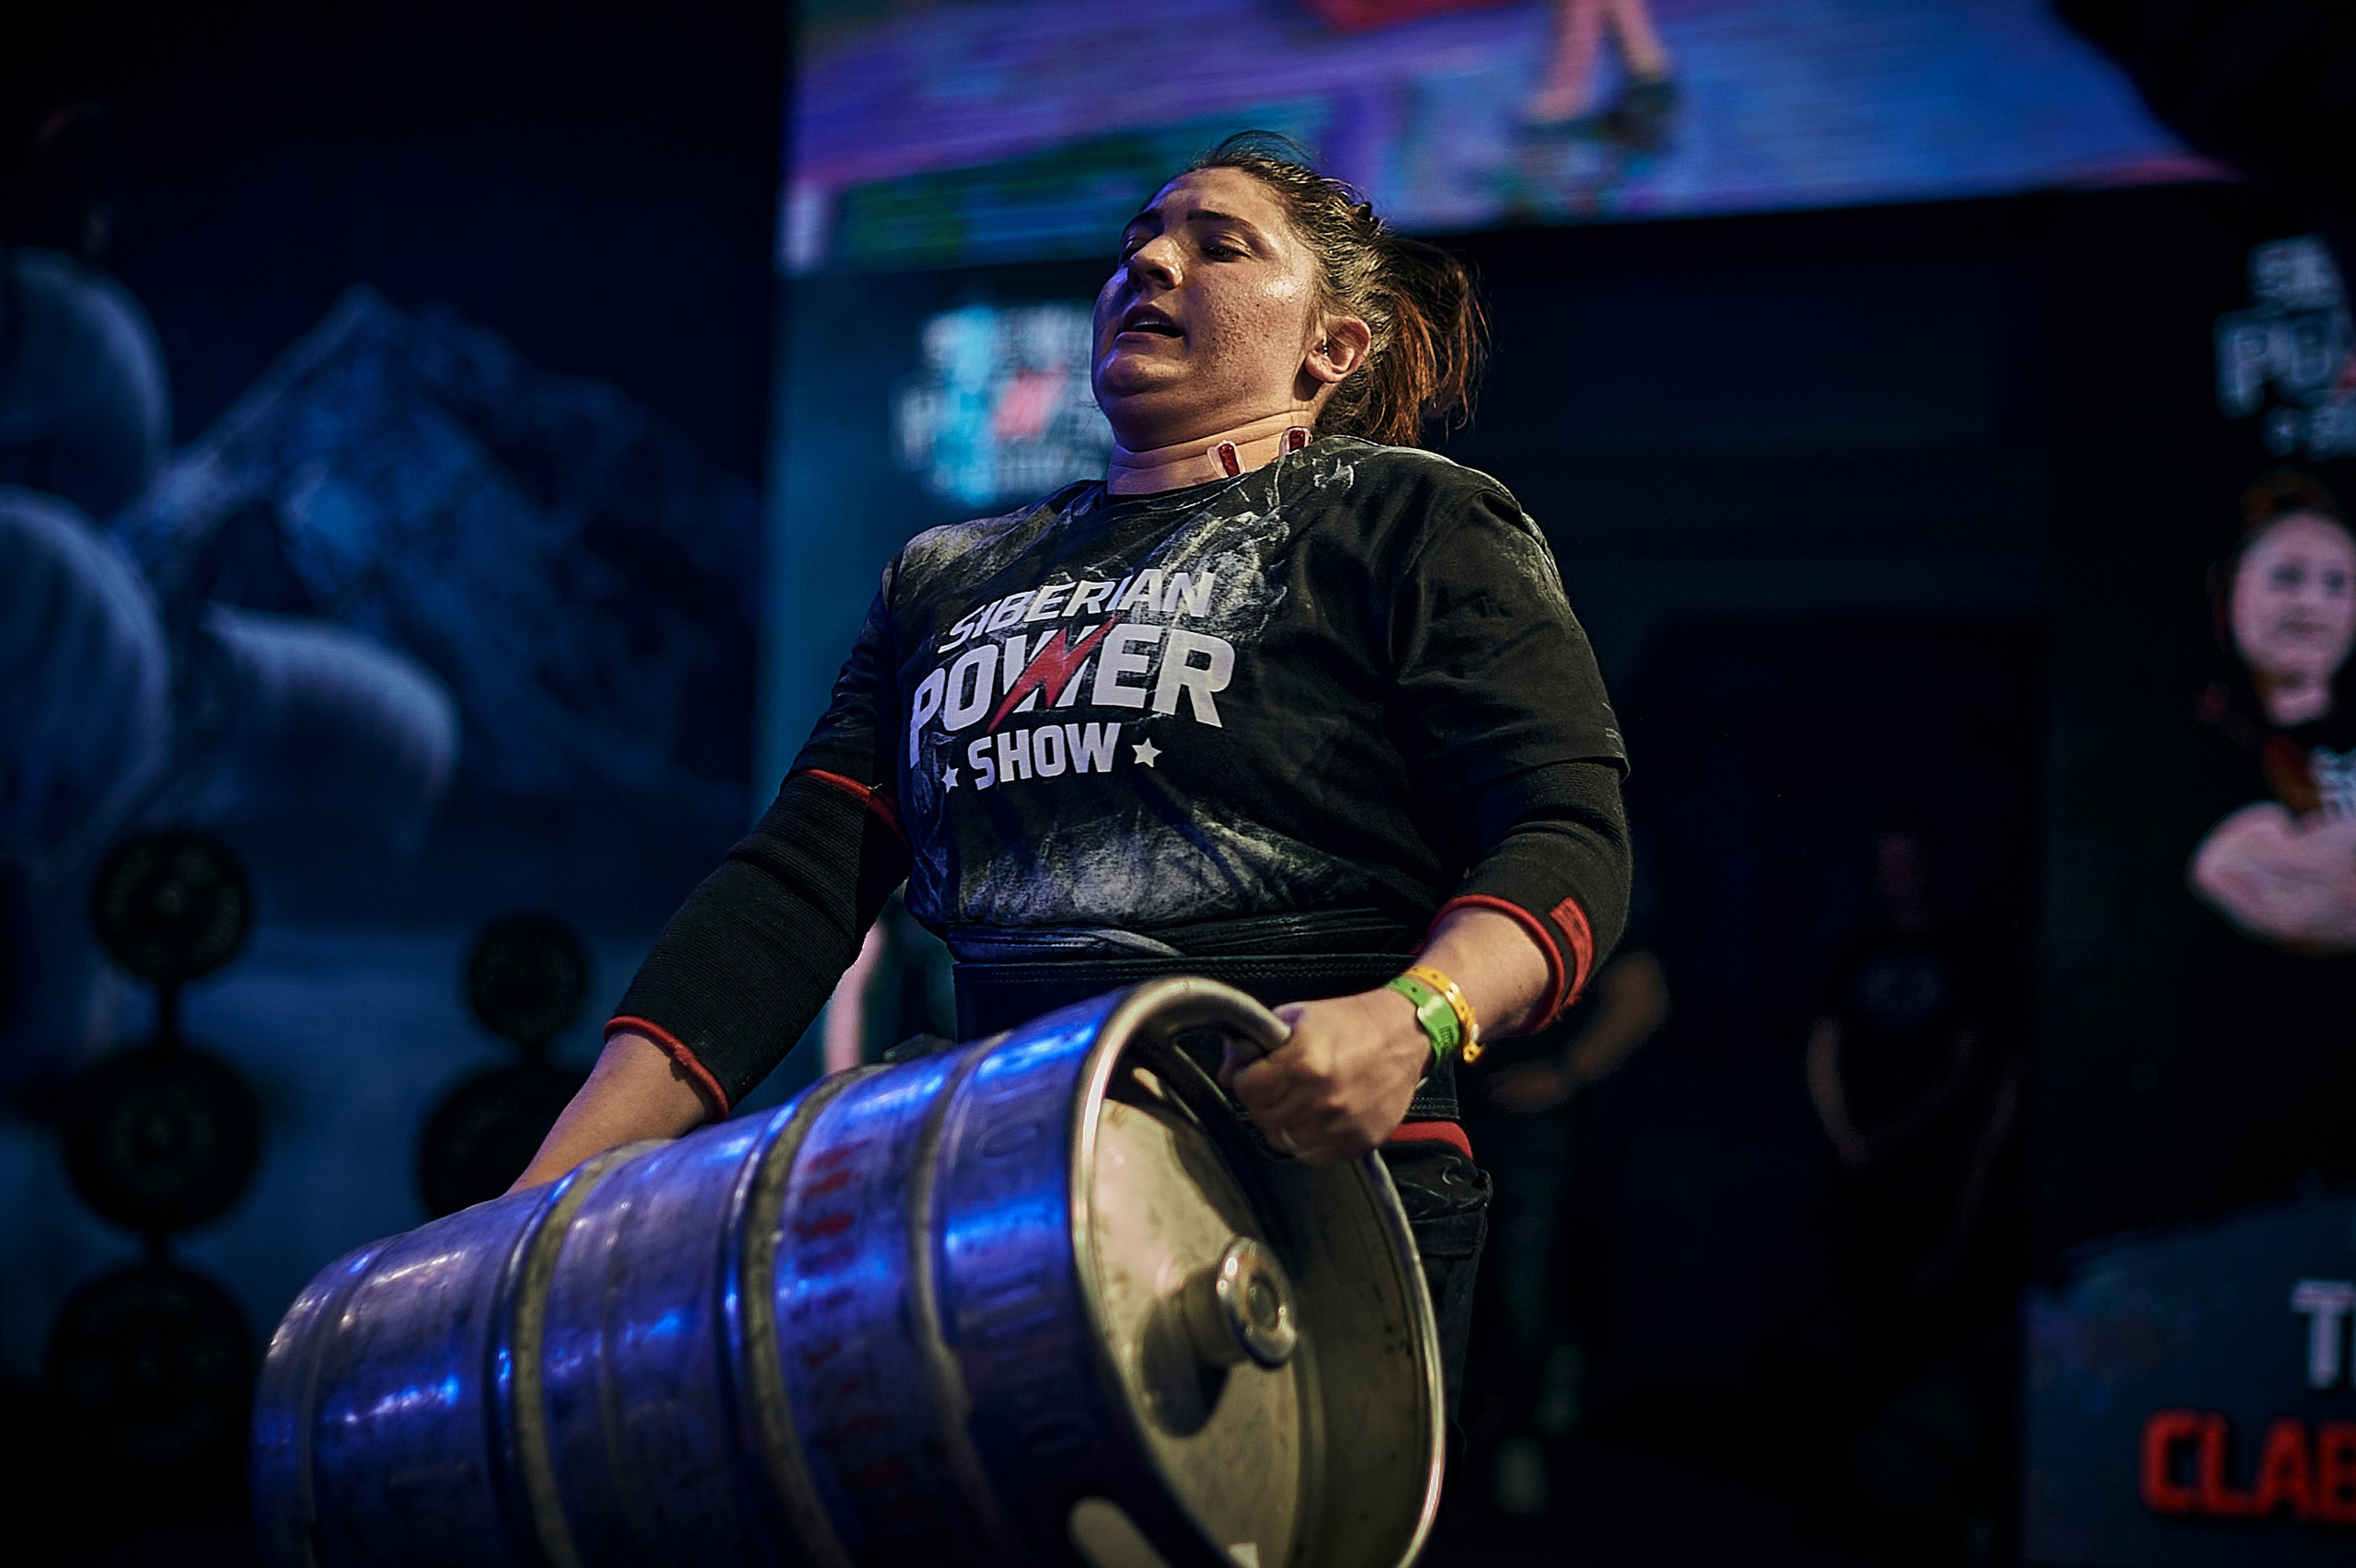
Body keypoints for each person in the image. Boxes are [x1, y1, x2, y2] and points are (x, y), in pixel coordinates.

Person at [513, 132, 1633, 1415]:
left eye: (1219, 246)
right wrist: (540, 1205)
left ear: (1331, 347)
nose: (1147, 263)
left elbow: (1567, 835)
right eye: (1137, 243)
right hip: (988, 1194)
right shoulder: (945, 577)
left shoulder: (1410, 521)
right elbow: (791, 893)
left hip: (1306, 1189)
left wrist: (1413, 1018)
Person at [2189, 471, 2356, 948]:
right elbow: (2221, 873)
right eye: (2287, 577)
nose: (2312, 604)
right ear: (2227, 591)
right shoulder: (2203, 754)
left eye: (2337, 583)